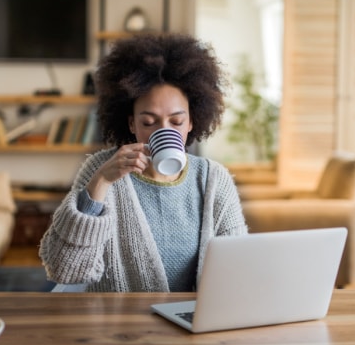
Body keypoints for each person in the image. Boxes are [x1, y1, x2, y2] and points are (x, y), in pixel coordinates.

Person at [39, 33, 248, 292]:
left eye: (176, 122)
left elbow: (240, 270)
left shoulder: (214, 180)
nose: (163, 130)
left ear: (192, 122)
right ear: (131, 124)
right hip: (122, 324)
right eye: (149, 122)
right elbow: (65, 269)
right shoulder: (101, 170)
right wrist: (101, 183)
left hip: (192, 323)